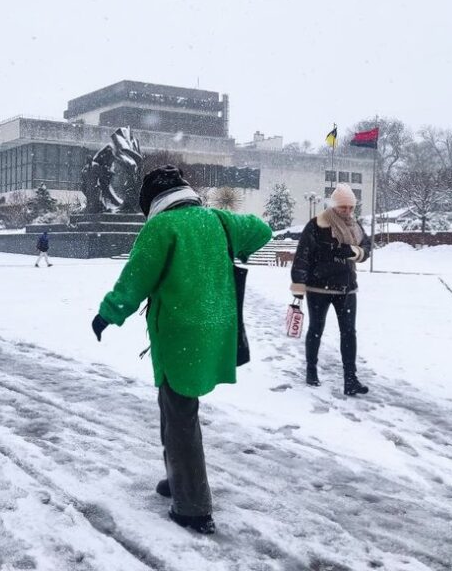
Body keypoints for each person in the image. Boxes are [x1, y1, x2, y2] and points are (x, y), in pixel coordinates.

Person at [91, 165, 272, 535]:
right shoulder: (218, 220)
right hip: (216, 328)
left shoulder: (161, 227)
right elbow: (262, 230)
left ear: (153, 202)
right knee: (175, 406)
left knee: (180, 415)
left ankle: (193, 507)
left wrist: (108, 313)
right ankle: (178, 478)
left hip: (180, 333)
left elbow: (135, 279)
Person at [290, 183, 372, 396]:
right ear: (334, 205)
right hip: (319, 288)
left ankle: (350, 379)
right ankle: (311, 371)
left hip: (347, 288)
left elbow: (367, 246)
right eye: (343, 207)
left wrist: (354, 252)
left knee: (349, 333)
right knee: (316, 329)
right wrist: (298, 286)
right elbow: (302, 256)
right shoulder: (317, 224)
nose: (347, 211)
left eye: (351, 207)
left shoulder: (355, 225)